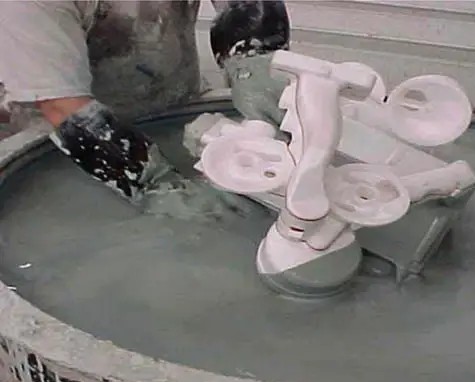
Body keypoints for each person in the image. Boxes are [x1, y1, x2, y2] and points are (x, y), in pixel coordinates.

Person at [0, 0, 290, 219]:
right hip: (64, 141)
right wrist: (156, 184)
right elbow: (63, 108)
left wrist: (254, 64)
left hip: (175, 100)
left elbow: (248, 6)